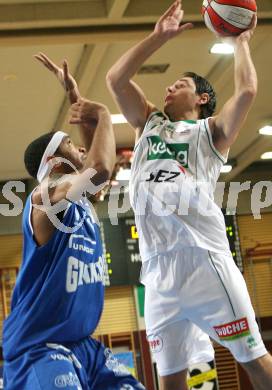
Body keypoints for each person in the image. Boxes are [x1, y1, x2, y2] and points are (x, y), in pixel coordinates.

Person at [106, 1, 272, 389]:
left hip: (202, 258)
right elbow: (116, 78)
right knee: (171, 381)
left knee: (255, 362)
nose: (169, 86)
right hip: (157, 271)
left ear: (200, 99)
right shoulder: (149, 123)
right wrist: (158, 36)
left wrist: (242, 41)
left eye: (180, 84)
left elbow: (247, 90)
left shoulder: (210, 133)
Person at [3, 53, 145, 390]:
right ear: (53, 160)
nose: (79, 147)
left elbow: (89, 165)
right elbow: (99, 170)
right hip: (38, 347)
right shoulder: (44, 197)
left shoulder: (78, 201)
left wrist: (76, 100)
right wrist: (103, 115)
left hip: (82, 345)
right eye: (70, 143)